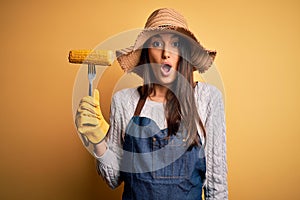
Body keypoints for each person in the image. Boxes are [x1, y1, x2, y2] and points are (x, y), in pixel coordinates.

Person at [75, 8, 228, 200]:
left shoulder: (207, 99)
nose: (166, 53)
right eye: (157, 43)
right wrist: (97, 141)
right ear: (147, 54)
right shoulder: (124, 102)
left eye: (175, 43)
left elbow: (217, 184)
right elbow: (113, 179)